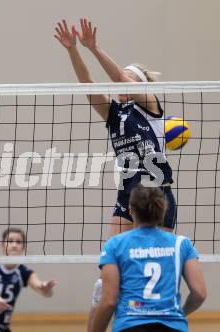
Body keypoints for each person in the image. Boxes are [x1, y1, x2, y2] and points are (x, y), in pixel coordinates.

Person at [54, 18, 178, 330]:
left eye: (129, 79)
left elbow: (121, 79)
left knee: (153, 270)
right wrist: (73, 51)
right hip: (128, 197)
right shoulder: (114, 114)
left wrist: (95, 47)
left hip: (158, 195)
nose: (122, 83)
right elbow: (87, 86)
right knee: (106, 277)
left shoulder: (150, 104)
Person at [90, 184, 206, 332]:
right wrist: (179, 314)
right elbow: (200, 294)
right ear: (164, 210)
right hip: (172, 326)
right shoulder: (181, 244)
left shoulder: (115, 245)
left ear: (130, 210)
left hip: (130, 325)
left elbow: (109, 301)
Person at [0, 228, 56, 332]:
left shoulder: (24, 272)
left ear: (23, 247)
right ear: (3, 245)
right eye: (10, 241)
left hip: (2, 327)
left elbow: (40, 287)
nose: (14, 245)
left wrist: (46, 289)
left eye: (18, 241)